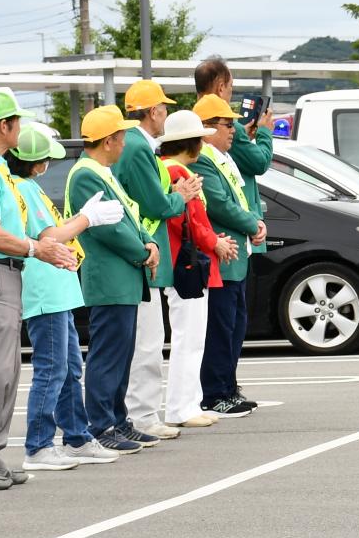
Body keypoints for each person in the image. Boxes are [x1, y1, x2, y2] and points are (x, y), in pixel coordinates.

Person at [0, 89, 83, 492]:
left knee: (7, 369)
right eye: (17, 122)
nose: (21, 129)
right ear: (4, 126)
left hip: (4, 272)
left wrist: (36, 248)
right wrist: (37, 248)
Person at [5, 126, 124, 470]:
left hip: (55, 289)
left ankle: (76, 437)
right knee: (53, 368)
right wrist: (87, 219)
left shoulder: (26, 187)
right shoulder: (26, 188)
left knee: (69, 368)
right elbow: (52, 236)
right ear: (38, 163)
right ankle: (38, 446)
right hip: (47, 291)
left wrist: (81, 219)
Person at [116, 79, 206, 444]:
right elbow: (155, 204)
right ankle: (143, 414)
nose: (166, 115)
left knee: (145, 341)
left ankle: (142, 413)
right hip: (147, 256)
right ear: (153, 112)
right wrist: (180, 195)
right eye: (164, 109)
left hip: (145, 255)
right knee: (148, 342)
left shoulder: (136, 145)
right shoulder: (138, 147)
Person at [69, 104, 159, 454]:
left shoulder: (103, 171)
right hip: (109, 276)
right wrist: (142, 250)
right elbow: (108, 228)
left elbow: (128, 215)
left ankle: (118, 420)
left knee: (121, 353)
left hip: (122, 276)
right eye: (121, 136)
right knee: (108, 354)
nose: (125, 142)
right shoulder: (86, 174)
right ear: (108, 141)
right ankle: (102, 423)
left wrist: (147, 241)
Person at [191, 60, 276, 411]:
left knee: (235, 323)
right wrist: (252, 224)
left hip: (235, 250)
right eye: (228, 125)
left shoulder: (221, 156)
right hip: (219, 252)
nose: (234, 130)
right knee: (220, 326)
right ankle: (216, 392)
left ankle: (227, 386)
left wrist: (256, 222)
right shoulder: (205, 156)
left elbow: (237, 196)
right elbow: (223, 203)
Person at [151, 109, 236, 429]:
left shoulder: (165, 169)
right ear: (192, 143)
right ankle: (182, 407)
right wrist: (215, 243)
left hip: (178, 261)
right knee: (190, 338)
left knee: (188, 337)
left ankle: (187, 403)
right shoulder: (179, 173)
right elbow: (191, 221)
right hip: (188, 263)